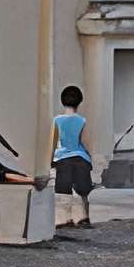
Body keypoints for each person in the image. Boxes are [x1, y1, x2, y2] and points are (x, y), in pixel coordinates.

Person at [50, 84, 94, 228]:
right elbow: (84, 142)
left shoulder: (57, 120)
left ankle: (65, 219)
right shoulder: (82, 121)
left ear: (62, 101)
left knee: (64, 190)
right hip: (81, 158)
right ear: (79, 102)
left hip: (63, 158)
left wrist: (50, 160)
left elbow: (53, 142)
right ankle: (84, 217)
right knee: (83, 191)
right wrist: (91, 156)